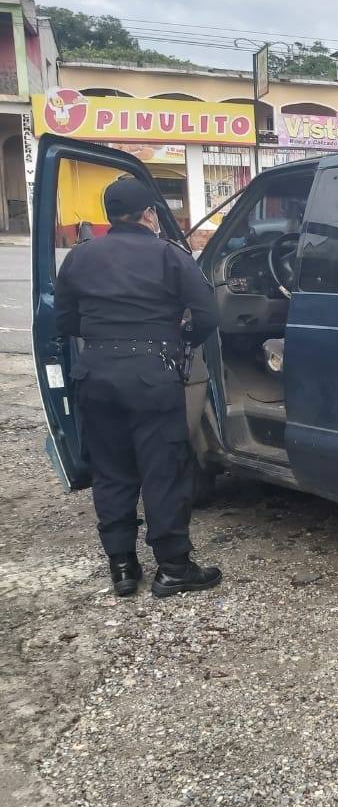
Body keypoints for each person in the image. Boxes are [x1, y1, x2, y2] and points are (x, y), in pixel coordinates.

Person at [53, 176, 223, 598]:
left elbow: (63, 319)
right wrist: (181, 340)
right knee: (163, 470)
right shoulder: (170, 255)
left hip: (94, 375)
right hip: (152, 374)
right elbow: (206, 314)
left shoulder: (79, 257)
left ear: (110, 216)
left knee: (111, 472)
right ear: (150, 214)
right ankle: (173, 568)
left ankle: (123, 568)